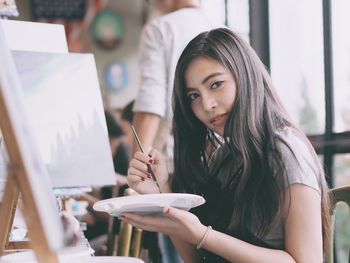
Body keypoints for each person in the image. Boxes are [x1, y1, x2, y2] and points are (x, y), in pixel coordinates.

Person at [124, 28, 331, 262]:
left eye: (215, 84)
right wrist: (163, 190)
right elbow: (198, 259)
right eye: (194, 96)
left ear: (245, 75)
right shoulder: (226, 158)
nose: (207, 104)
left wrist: (202, 234)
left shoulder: (287, 152)